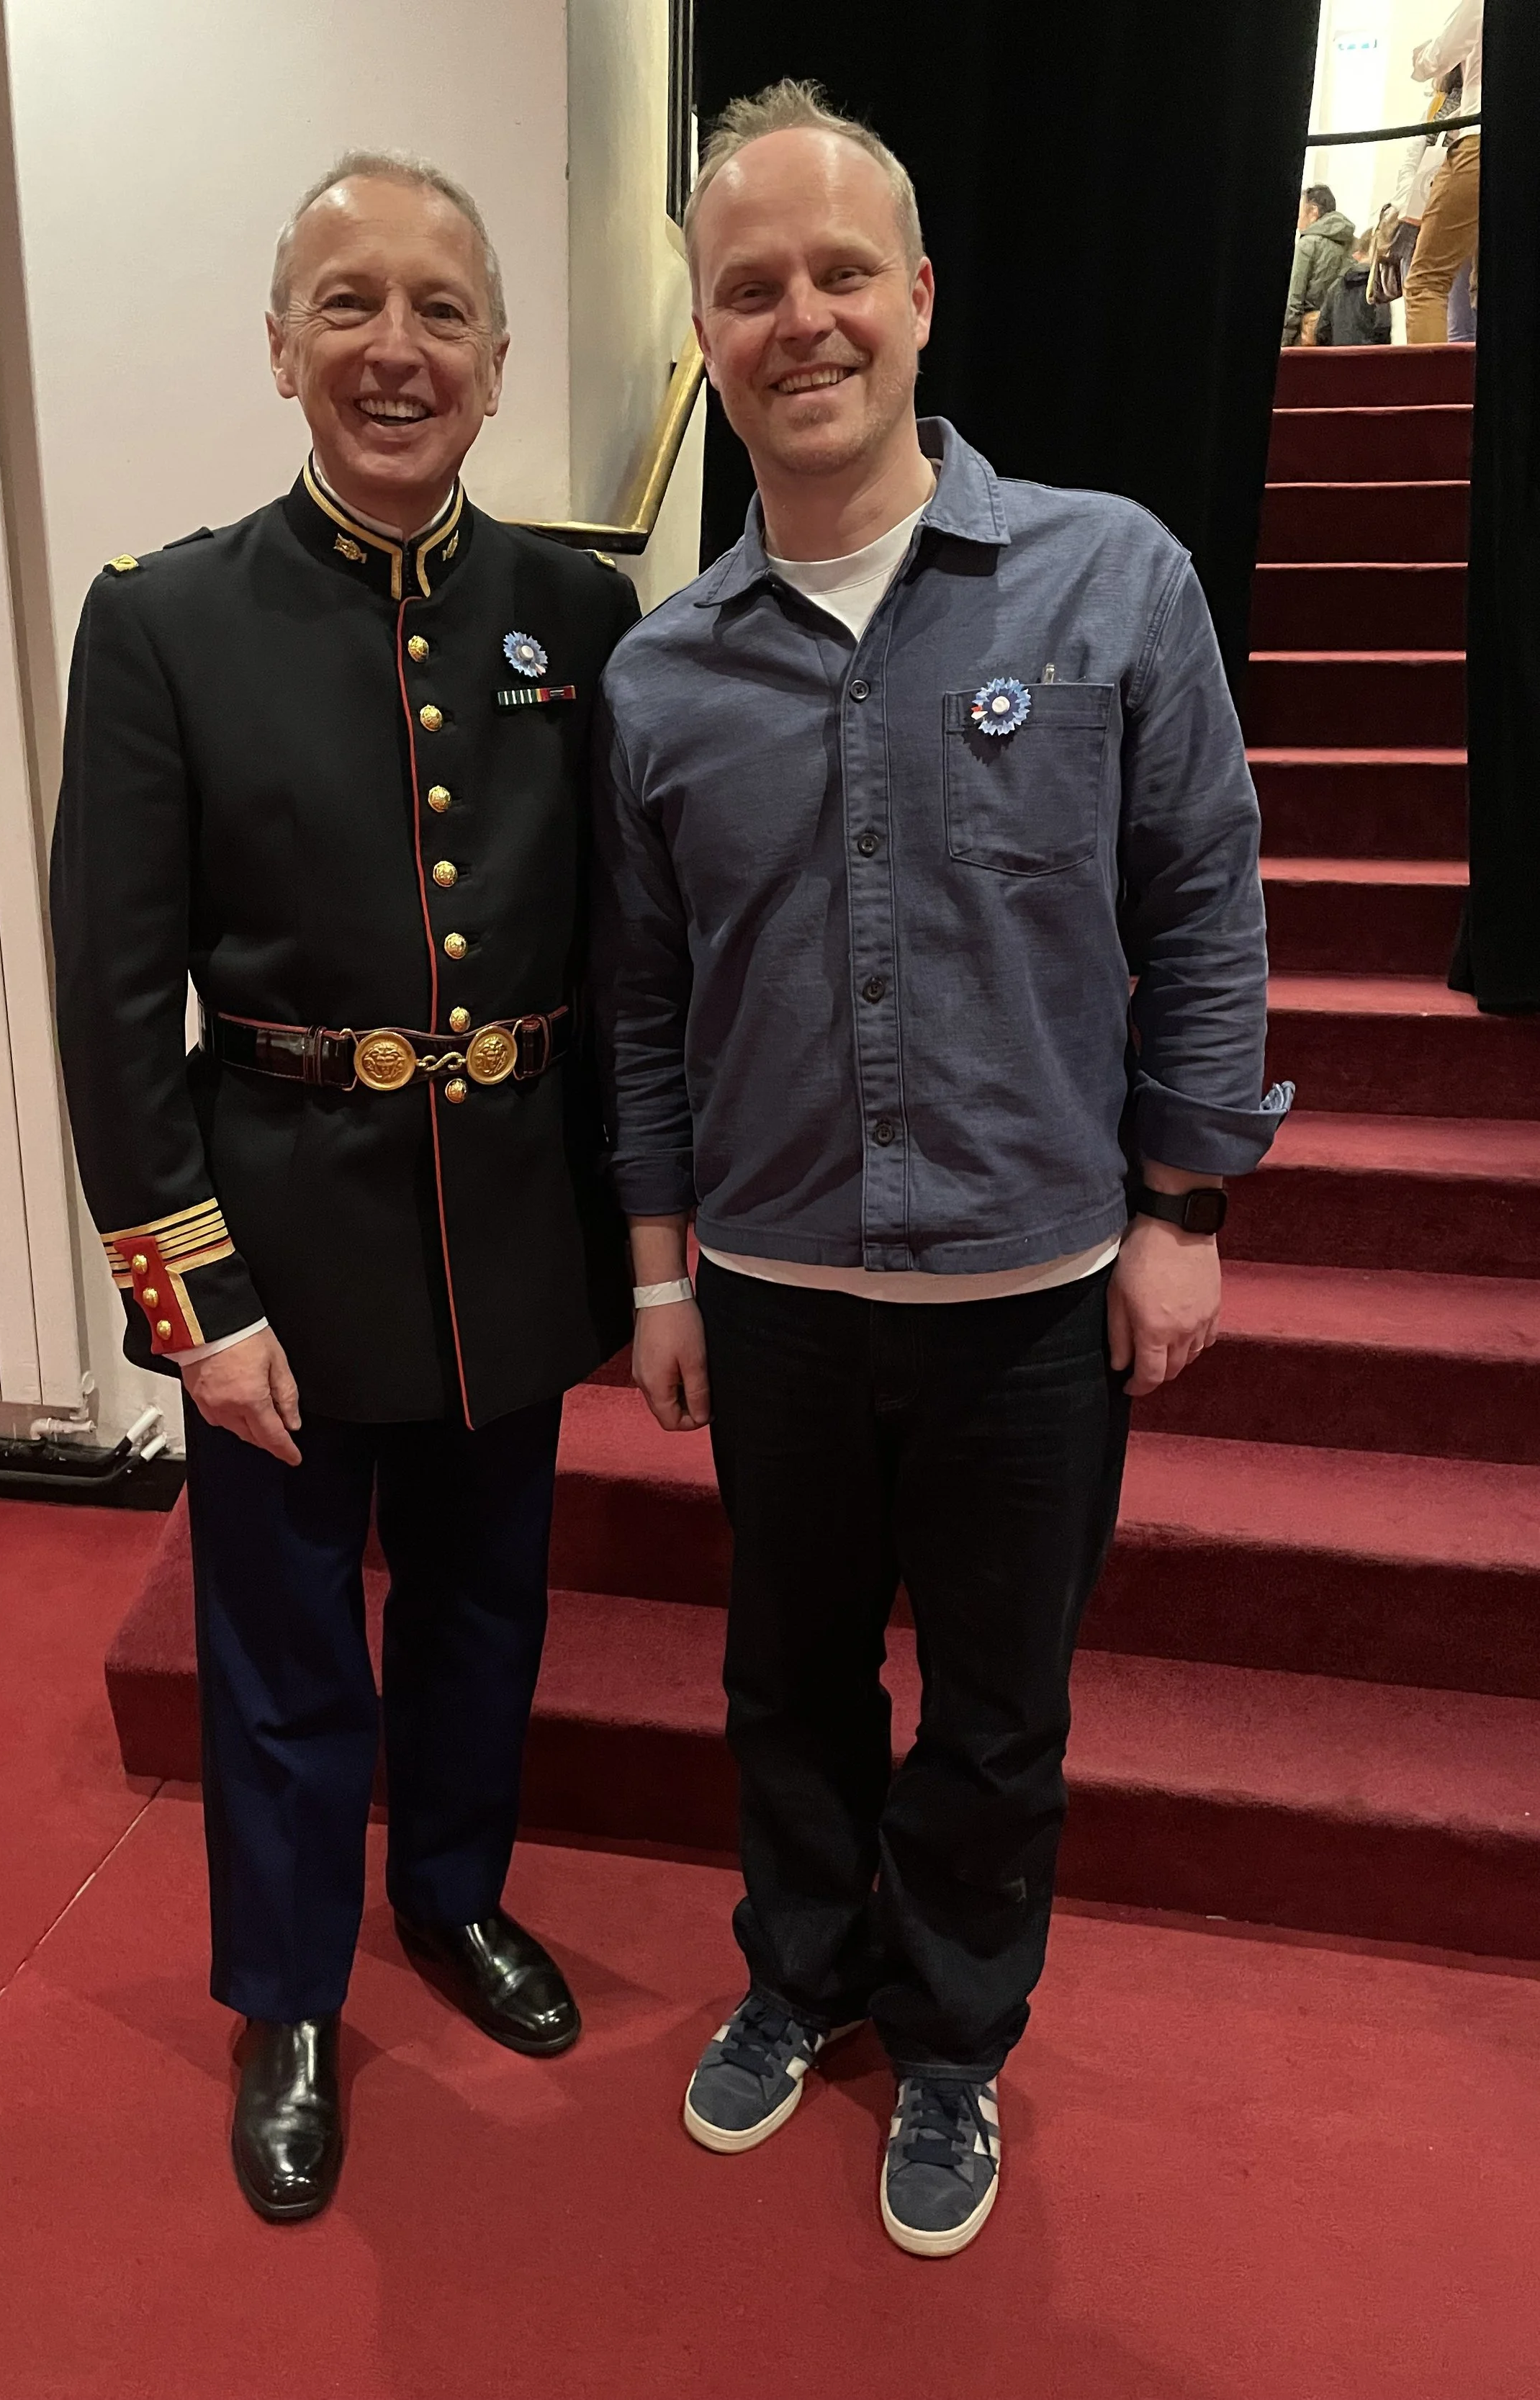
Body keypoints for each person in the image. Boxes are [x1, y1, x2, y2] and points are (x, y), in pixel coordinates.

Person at [593, 80, 1289, 2260]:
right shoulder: (654, 672)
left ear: (914, 295)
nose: (794, 317)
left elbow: (1200, 907)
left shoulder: (1108, 576)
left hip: (1028, 1296)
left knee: (995, 1706)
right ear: (702, 334)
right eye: (743, 285)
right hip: (782, 1294)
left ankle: (954, 2034)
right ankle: (798, 1975)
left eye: (831, 274)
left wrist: (1177, 1212)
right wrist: (655, 1273)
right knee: (781, 1677)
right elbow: (633, 1001)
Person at [50, 153, 639, 2224]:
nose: (396, 350)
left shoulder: (578, 612)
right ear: (281, 343)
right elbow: (115, 1007)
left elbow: (618, 955)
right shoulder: (163, 622)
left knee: (486, 1613)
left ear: (494, 355)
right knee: (285, 1650)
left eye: (440, 311)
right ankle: (289, 1993)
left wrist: (636, 1241)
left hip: (514, 1231)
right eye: (349, 305)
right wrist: (189, 1299)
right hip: (281, 1238)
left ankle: (457, 1896)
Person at [1404, 1, 1482, 346]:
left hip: (1478, 139)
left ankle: (1432, 396)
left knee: (1426, 282)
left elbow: (1436, 57)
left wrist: (1421, 55)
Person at [1284, 184, 1354, 346]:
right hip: (1339, 338)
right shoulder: (1353, 244)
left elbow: (1294, 302)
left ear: (1314, 211)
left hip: (1307, 337)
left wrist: (1285, 344)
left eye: (1300, 210)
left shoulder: (1308, 244)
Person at [1316, 227, 1392, 346]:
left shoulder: (1336, 286)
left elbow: (1322, 331)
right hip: (1371, 359)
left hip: (1339, 359)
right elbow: (1383, 326)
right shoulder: (1380, 286)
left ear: (1358, 254)